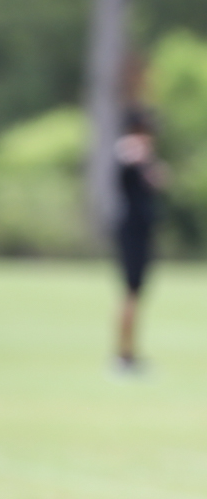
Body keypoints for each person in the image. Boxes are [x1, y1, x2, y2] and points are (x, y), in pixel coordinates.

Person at [113, 107, 164, 371]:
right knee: (131, 292)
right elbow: (131, 154)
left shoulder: (142, 154)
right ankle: (123, 355)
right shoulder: (129, 147)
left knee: (136, 293)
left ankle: (128, 352)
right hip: (131, 231)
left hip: (141, 231)